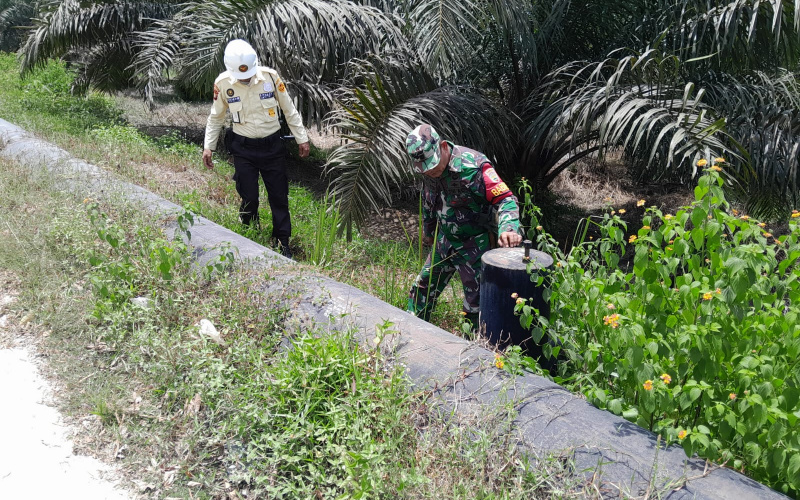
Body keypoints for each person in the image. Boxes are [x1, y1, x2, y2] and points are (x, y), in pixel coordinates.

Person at [405, 124, 523, 327]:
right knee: (421, 288)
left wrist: (509, 229)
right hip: (445, 242)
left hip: (475, 246)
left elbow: (506, 199)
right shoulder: (429, 170)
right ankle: (411, 331)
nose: (431, 172)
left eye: (433, 165)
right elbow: (429, 201)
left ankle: (471, 344)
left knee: (475, 305)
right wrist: (429, 231)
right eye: (425, 169)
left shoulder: (474, 166)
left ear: (443, 146)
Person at [202, 39, 310, 258]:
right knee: (249, 195)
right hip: (243, 149)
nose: (246, 78)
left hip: (272, 147)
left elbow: (289, 109)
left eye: (248, 74)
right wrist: (208, 146)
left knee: (279, 196)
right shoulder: (223, 83)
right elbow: (216, 117)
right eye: (241, 76)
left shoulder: (270, 77)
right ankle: (249, 234)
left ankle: (282, 241)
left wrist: (302, 138)